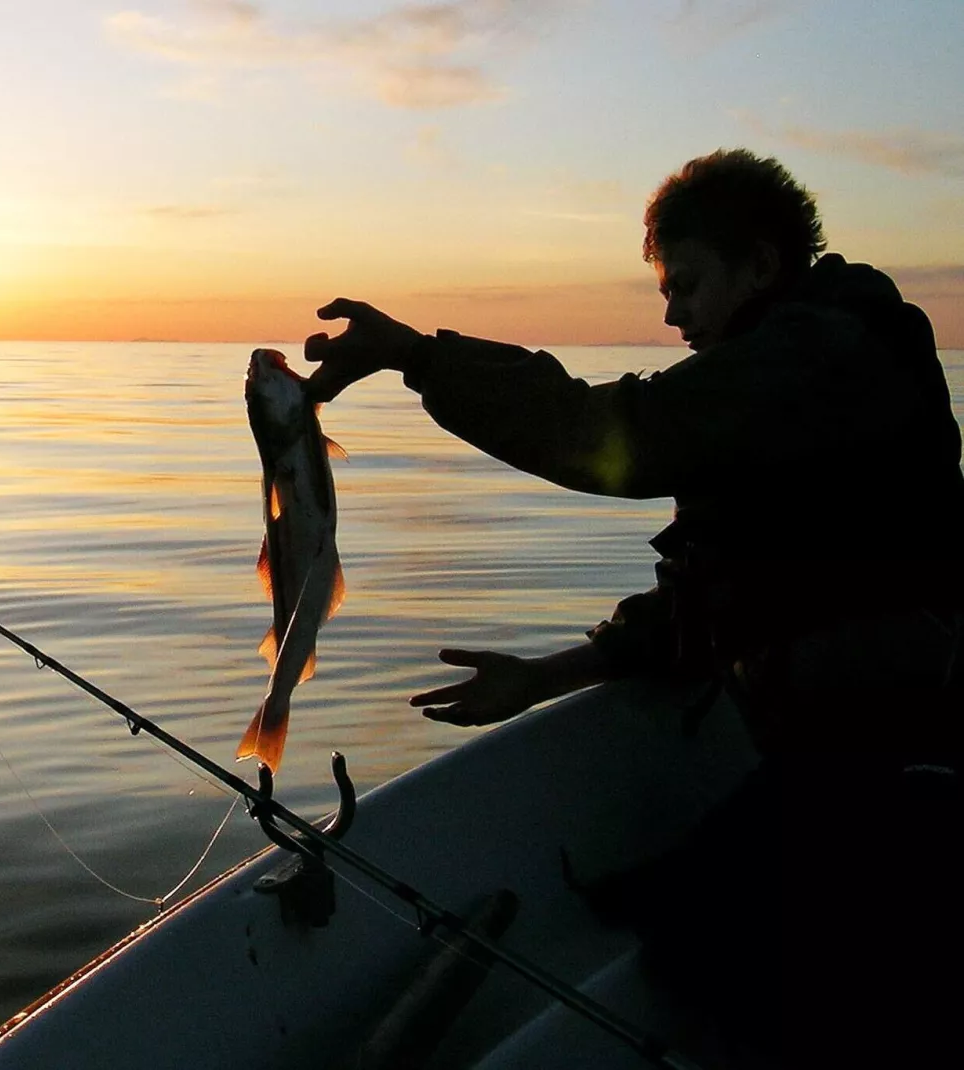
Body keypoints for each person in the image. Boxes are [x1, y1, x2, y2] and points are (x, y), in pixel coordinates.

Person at [303, 149, 962, 1064]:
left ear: (762, 266)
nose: (670, 312)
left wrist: (417, 357)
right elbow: (712, 594)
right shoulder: (784, 377)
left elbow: (624, 437)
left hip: (906, 752)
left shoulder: (824, 354)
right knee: (668, 916)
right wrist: (546, 678)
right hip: (837, 740)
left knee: (714, 960)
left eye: (687, 283)